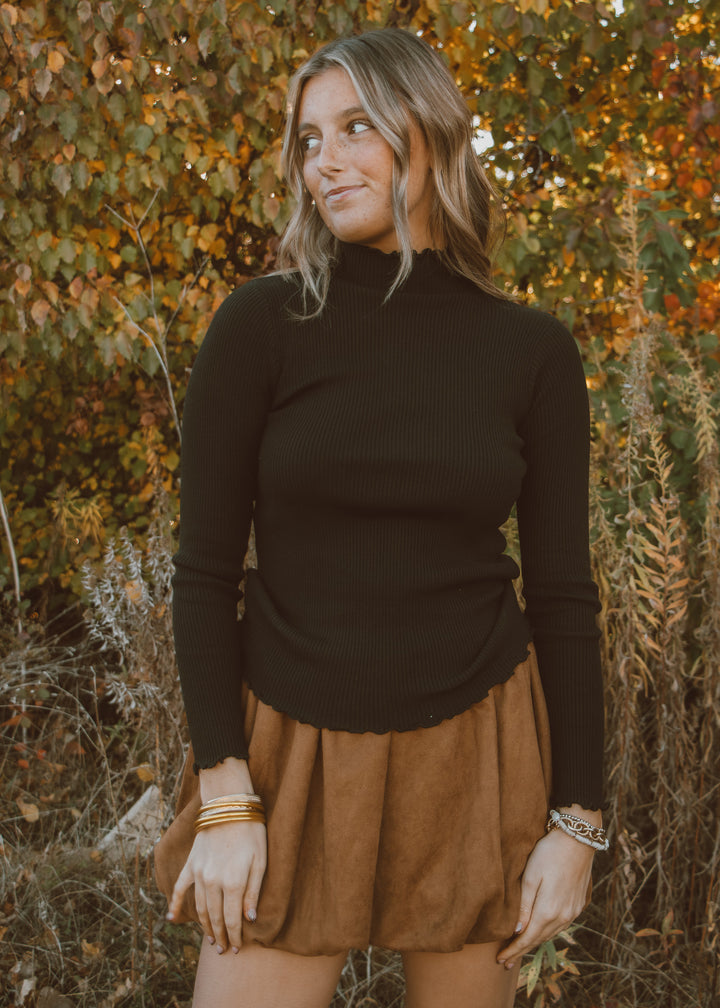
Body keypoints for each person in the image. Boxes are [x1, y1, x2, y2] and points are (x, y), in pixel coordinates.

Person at [154, 27, 607, 1008]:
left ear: (431, 131)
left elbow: (565, 596)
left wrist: (577, 823)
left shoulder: (529, 349)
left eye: (357, 127)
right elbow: (202, 576)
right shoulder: (262, 325)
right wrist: (226, 800)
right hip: (288, 746)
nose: (326, 161)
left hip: (477, 741)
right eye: (309, 139)